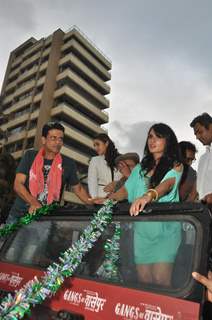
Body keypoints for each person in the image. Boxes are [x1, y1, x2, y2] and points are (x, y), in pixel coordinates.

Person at [105, 123, 183, 286]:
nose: (152, 140)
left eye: (158, 137)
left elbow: (167, 184)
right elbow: (126, 190)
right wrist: (108, 199)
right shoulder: (140, 168)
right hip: (142, 232)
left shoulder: (176, 165)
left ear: (168, 141)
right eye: (150, 136)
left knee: (161, 280)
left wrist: (148, 196)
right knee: (145, 281)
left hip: (166, 232)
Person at [7, 122, 94, 223]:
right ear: (43, 140)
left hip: (46, 220)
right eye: (53, 138)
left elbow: (78, 189)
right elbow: (18, 184)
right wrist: (33, 203)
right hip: (18, 216)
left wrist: (94, 204)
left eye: (60, 139)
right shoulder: (30, 156)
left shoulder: (68, 163)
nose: (57, 142)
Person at [88, 133, 122, 198]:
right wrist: (94, 199)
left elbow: (127, 177)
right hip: (102, 198)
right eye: (94, 145)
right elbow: (92, 182)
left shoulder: (120, 159)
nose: (95, 148)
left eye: (98, 144)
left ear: (106, 143)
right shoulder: (94, 160)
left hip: (119, 197)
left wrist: (117, 184)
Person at [190, 113, 212, 204]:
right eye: (196, 134)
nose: (197, 137)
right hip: (204, 211)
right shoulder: (203, 158)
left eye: (200, 132)